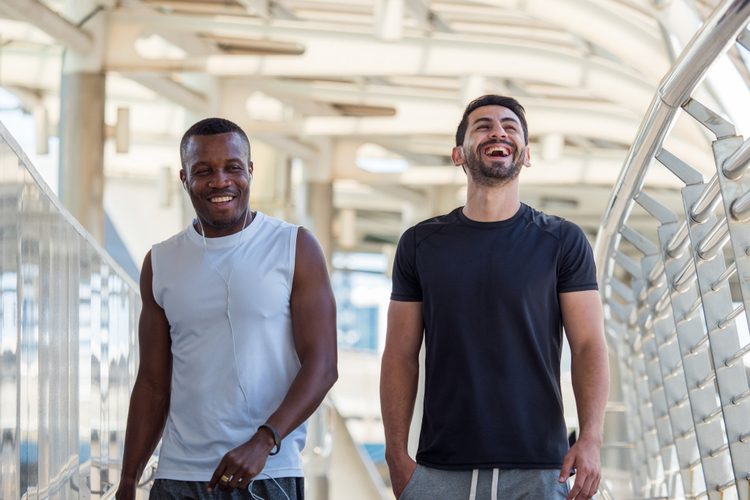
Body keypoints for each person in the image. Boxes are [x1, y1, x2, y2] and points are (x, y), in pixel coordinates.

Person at [380, 95, 609, 500]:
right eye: (482, 126)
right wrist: (396, 456)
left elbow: (589, 345)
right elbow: (399, 354)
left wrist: (590, 438)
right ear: (459, 154)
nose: (498, 131)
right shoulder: (419, 244)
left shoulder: (562, 240)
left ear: (526, 155)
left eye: (510, 126)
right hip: (439, 469)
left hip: (539, 469)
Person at [115, 118, 338, 500]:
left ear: (250, 171)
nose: (220, 181)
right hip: (178, 478)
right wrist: (127, 481)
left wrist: (265, 440)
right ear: (184, 179)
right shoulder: (161, 261)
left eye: (232, 168)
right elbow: (152, 384)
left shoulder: (294, 247)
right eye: (203, 171)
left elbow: (322, 365)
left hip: (267, 474)